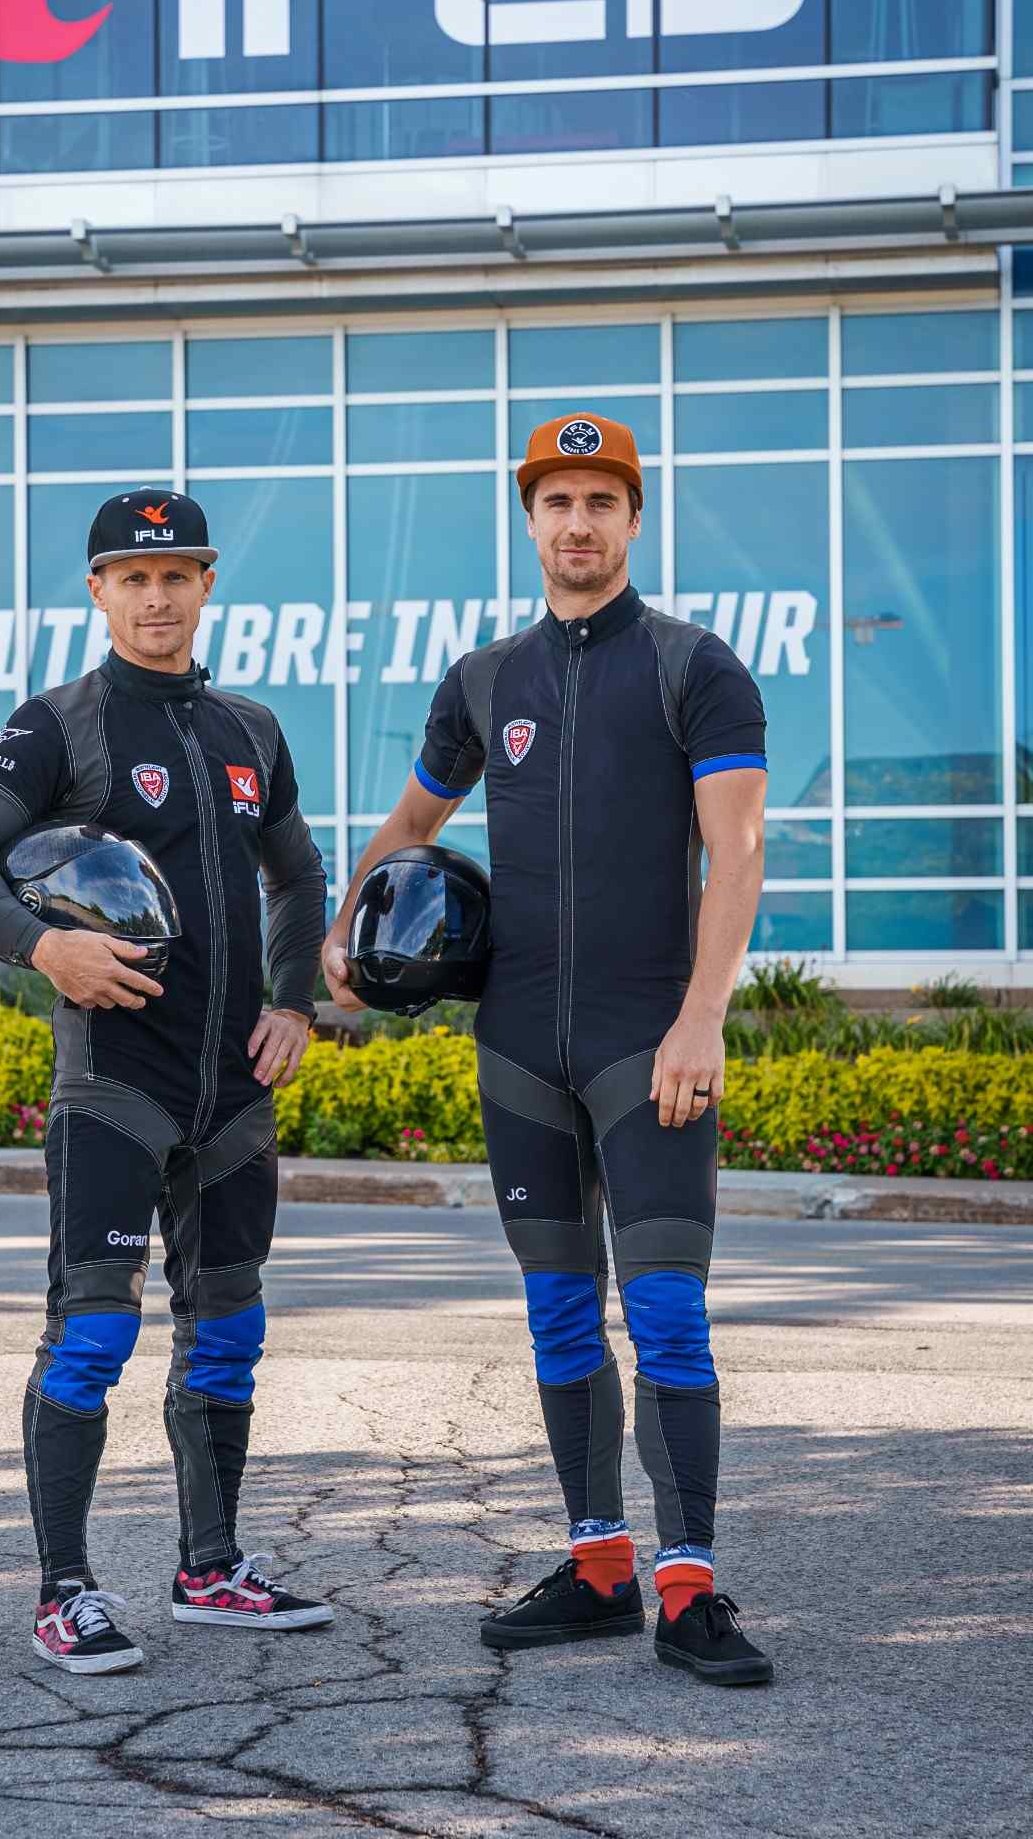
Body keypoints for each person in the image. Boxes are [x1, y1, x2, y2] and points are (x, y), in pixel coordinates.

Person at [322, 413, 774, 1685]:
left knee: (669, 1316)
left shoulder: (696, 667)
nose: (577, 522)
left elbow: (734, 854)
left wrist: (702, 1014)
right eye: (555, 500)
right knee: (558, 1316)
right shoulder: (482, 679)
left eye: (600, 500)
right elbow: (416, 815)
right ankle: (595, 1568)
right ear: (528, 519)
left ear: (634, 519)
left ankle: (687, 1588)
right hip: (517, 1043)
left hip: (648, 1040)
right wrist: (346, 927)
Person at [0, 488, 333, 1673]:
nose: (157, 596)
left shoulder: (251, 728)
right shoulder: (58, 725)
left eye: (178, 574)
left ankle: (210, 1569)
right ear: (98, 591)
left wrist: (295, 1002)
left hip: (232, 1095)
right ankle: (64, 1592)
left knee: (230, 1332)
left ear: (206, 586)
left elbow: (298, 880)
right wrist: (43, 946)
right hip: (116, 1085)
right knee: (92, 1331)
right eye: (132, 577)